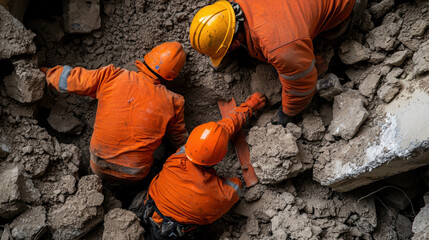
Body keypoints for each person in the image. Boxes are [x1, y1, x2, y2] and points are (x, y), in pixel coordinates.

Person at [189, 0, 366, 126]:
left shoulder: (280, 47)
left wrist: (286, 113)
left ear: (235, 43)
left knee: (328, 37)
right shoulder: (234, 8)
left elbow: (302, 87)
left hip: (346, 5)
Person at [41, 42, 188, 187]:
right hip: (135, 174)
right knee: (156, 163)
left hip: (99, 162)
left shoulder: (112, 76)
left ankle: (94, 185)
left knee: (97, 176)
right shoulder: (173, 102)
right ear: (172, 76)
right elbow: (179, 140)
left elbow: (73, 80)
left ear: (147, 59)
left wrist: (47, 73)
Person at [133, 92, 266, 239]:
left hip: (145, 208)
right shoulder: (221, 193)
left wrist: (249, 106)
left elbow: (220, 130)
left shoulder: (177, 158)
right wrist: (251, 106)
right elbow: (236, 186)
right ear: (219, 158)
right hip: (172, 233)